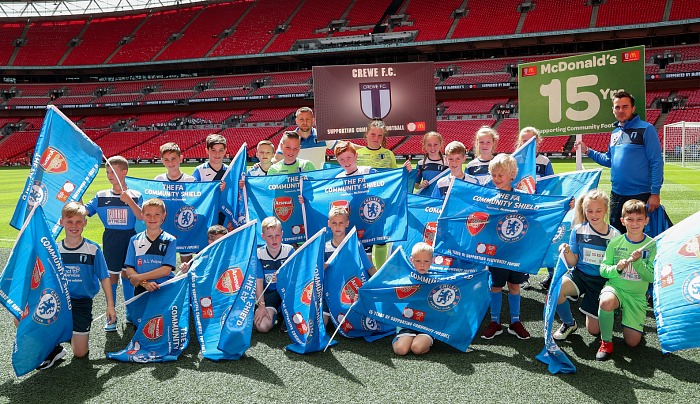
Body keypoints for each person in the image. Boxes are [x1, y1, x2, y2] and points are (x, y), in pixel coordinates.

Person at [38, 202, 117, 370]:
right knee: (29, 319)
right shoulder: (54, 249)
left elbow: (104, 277)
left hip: (82, 303)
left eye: (78, 221)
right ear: (61, 222)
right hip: (58, 302)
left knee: (80, 353)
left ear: (85, 223)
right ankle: (55, 347)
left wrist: (110, 305)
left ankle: (70, 334)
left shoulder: (93, 249)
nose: (74, 226)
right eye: (69, 221)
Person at [574, 91, 664, 233]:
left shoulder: (646, 129)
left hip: (640, 194)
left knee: (638, 235)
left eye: (625, 106)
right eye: (617, 107)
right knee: (616, 234)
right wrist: (588, 151)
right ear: (613, 110)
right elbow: (609, 161)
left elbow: (656, 162)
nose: (621, 110)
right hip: (617, 194)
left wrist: (655, 193)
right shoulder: (615, 133)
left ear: (633, 109)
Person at [552, 190, 620, 341]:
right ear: (584, 210)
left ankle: (611, 307)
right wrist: (567, 251)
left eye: (598, 210)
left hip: (601, 281)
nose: (594, 214)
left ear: (606, 210)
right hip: (580, 274)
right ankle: (569, 323)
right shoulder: (578, 230)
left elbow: (616, 268)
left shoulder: (615, 235)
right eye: (589, 211)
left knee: (594, 331)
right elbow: (573, 262)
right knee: (556, 290)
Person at [85, 155, 143, 331]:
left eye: (113, 171)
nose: (109, 175)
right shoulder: (101, 195)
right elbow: (84, 212)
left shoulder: (135, 194)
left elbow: (141, 216)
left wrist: (129, 201)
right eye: (107, 172)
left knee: (129, 276)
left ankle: (130, 313)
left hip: (130, 240)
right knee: (111, 277)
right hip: (111, 240)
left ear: (124, 172)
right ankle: (111, 316)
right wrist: (77, 198)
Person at [596, 199, 656, 361]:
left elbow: (651, 277)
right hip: (616, 288)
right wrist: (617, 268)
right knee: (606, 302)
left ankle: (628, 319)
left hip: (636, 296)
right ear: (623, 221)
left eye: (639, 219)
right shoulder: (615, 243)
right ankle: (606, 342)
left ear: (646, 221)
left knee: (632, 342)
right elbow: (603, 270)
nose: (634, 223)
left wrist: (638, 262)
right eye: (629, 219)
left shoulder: (652, 245)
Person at [481, 154, 530, 340]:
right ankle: (495, 322)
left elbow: (539, 216)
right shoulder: (489, 197)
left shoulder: (522, 197)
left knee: (514, 285)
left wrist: (565, 206)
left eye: (501, 175)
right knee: (496, 285)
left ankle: (515, 321)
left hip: (516, 252)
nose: (496, 179)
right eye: (493, 175)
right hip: (496, 252)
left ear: (512, 175)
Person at [355, 120, 411, 268]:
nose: (376, 138)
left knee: (380, 239)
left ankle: (379, 271)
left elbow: (396, 178)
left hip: (382, 204)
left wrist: (405, 171)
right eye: (373, 134)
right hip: (362, 203)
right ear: (366, 134)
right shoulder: (357, 154)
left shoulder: (388, 154)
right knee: (364, 240)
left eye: (380, 135)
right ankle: (367, 271)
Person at [516, 127, 554, 290]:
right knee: (523, 243)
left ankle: (551, 275)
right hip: (522, 209)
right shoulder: (516, 160)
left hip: (540, 210)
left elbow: (552, 185)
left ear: (538, 142)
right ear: (520, 142)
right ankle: (522, 276)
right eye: (525, 141)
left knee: (547, 241)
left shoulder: (544, 161)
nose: (528, 144)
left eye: (532, 140)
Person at [124, 198, 177, 300]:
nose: (152, 218)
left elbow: (166, 270)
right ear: (142, 216)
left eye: (157, 214)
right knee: (142, 316)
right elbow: (130, 269)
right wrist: (144, 283)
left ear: (163, 216)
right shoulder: (134, 240)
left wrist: (138, 278)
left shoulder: (170, 240)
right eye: (148, 214)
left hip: (164, 288)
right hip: (142, 289)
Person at [155, 142, 195, 263]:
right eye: (166, 160)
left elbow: (198, 202)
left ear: (181, 158)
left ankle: (187, 281)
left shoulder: (191, 180)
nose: (171, 163)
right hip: (165, 225)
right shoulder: (158, 180)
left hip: (184, 225)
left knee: (186, 262)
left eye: (173, 159)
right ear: (162, 161)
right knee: (163, 262)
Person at [392, 242, 435, 356]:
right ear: (411, 260)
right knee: (401, 350)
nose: (422, 265)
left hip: (428, 323)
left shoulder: (438, 279)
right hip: (407, 321)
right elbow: (385, 290)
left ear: (432, 261)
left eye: (426, 261)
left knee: (416, 348)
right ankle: (399, 338)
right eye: (418, 261)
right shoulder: (404, 278)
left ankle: (428, 341)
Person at [254, 217, 295, 333]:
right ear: (263, 237)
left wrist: (283, 278)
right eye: (270, 236)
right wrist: (261, 306)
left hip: (286, 293)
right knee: (262, 326)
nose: (274, 239)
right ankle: (276, 313)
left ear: (282, 234)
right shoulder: (259, 254)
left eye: (277, 235)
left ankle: (284, 312)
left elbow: (295, 278)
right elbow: (259, 281)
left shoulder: (289, 250)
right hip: (269, 295)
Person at [271, 106, 338, 164]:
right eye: (301, 119)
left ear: (313, 120)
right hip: (296, 177)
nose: (305, 122)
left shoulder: (322, 135)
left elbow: (342, 146)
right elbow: (277, 159)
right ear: (296, 121)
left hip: (317, 178)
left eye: (308, 119)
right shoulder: (288, 137)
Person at [193, 134, 229, 226]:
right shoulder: (199, 171)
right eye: (213, 150)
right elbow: (193, 195)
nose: (217, 154)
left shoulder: (230, 171)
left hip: (225, 216)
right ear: (207, 151)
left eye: (221, 150)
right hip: (205, 216)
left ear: (225, 151)